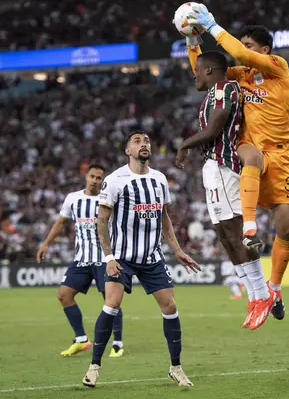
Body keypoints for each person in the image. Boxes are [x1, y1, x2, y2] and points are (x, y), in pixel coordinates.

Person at [185, 7, 289, 319]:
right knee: (251, 157)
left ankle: (274, 288)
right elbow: (204, 70)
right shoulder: (239, 76)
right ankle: (250, 225)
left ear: (264, 51)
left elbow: (234, 51)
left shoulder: (277, 67)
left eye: (248, 47)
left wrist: (211, 26)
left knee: (286, 228)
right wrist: (192, 42)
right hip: (247, 149)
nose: (242, 52)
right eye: (242, 46)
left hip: (282, 154)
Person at [82, 131, 200, 388]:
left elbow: (164, 217)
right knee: (111, 304)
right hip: (121, 257)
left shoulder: (159, 180)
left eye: (146, 140)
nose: (143, 144)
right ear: (128, 151)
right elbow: (101, 221)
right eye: (137, 141)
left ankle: (176, 367)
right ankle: (94, 367)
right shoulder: (115, 180)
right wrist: (109, 256)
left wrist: (177, 249)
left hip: (152, 257)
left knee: (170, 307)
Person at [175, 51, 275, 330]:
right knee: (224, 235)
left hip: (225, 167)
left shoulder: (224, 88)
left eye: (196, 69)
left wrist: (185, 145)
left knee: (234, 231)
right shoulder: (213, 92)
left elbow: (217, 126)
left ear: (209, 71)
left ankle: (262, 295)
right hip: (212, 169)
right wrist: (191, 40)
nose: (193, 74)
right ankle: (254, 296)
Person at [37, 164, 125, 358]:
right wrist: (46, 244)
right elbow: (60, 223)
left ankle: (117, 343)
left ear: (103, 181)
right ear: (86, 176)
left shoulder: (109, 199)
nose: (95, 181)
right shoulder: (73, 198)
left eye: (99, 178)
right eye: (92, 176)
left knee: (111, 301)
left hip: (104, 259)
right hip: (81, 260)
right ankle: (81, 339)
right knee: (64, 295)